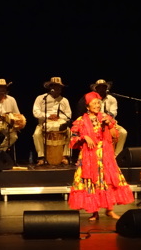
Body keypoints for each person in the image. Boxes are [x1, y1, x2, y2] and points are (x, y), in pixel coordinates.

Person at [68, 91, 134, 221]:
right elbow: (73, 139)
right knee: (92, 183)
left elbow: (115, 136)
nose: (97, 105)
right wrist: (84, 137)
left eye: (99, 103)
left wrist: (109, 125)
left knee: (108, 180)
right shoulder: (81, 121)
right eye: (94, 103)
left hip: (105, 155)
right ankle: (94, 212)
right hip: (89, 156)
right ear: (88, 106)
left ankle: (109, 210)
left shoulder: (106, 118)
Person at [77, 79, 127, 157]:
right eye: (99, 87)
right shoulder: (92, 99)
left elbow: (114, 113)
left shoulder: (112, 99)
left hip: (108, 121)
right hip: (94, 122)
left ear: (106, 88)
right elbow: (85, 111)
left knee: (123, 132)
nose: (101, 89)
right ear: (96, 89)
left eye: (103, 87)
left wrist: (107, 118)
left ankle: (117, 155)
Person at [32, 77, 72, 166]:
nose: (58, 88)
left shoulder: (64, 100)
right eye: (56, 86)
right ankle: (41, 157)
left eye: (59, 87)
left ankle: (64, 156)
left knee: (69, 132)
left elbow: (68, 115)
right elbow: (36, 112)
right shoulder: (41, 98)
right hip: (44, 123)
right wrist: (48, 116)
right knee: (36, 134)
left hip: (59, 123)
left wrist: (58, 117)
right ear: (51, 87)